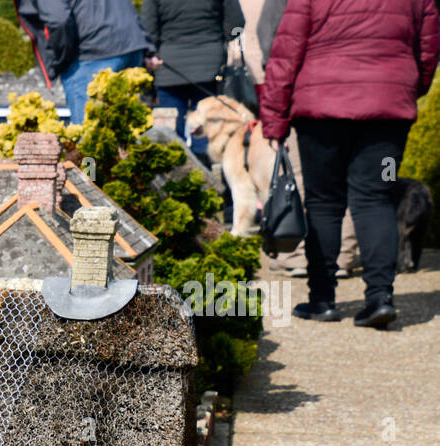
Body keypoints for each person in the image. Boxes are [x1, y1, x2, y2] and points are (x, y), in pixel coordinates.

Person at [260, 0, 438, 328]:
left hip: (320, 115)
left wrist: (274, 119)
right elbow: (428, 49)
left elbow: (285, 51)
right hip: (387, 116)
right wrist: (405, 89)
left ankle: (322, 300)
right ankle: (380, 298)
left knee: (324, 203)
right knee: (378, 199)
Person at [255, 0, 358, 279]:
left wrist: (278, 104)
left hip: (310, 95)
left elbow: (270, 37)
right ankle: (343, 255)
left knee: (305, 180)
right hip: (366, 95)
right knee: (355, 183)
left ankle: (300, 254)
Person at [142, 0, 245, 165]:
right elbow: (236, 24)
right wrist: (226, 39)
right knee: (206, 131)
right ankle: (208, 180)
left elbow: (148, 28)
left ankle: (178, 179)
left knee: (171, 135)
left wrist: (151, 54)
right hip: (210, 67)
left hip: (169, 67)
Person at [17, 0, 155, 122]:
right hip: (130, 45)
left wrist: (61, 58)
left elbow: (58, 20)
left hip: (91, 53)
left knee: (89, 137)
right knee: (126, 133)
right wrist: (147, 47)